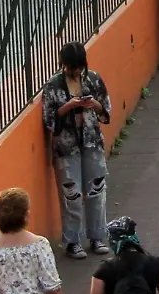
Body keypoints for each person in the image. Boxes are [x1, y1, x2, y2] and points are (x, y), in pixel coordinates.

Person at [40, 41, 112, 258]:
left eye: (80, 66)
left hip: (91, 141)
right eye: (73, 67)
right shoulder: (53, 86)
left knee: (96, 190)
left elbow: (105, 108)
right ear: (64, 64)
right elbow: (49, 119)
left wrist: (93, 105)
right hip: (66, 146)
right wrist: (68, 107)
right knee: (71, 194)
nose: (77, 71)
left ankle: (97, 235)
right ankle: (73, 240)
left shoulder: (93, 79)